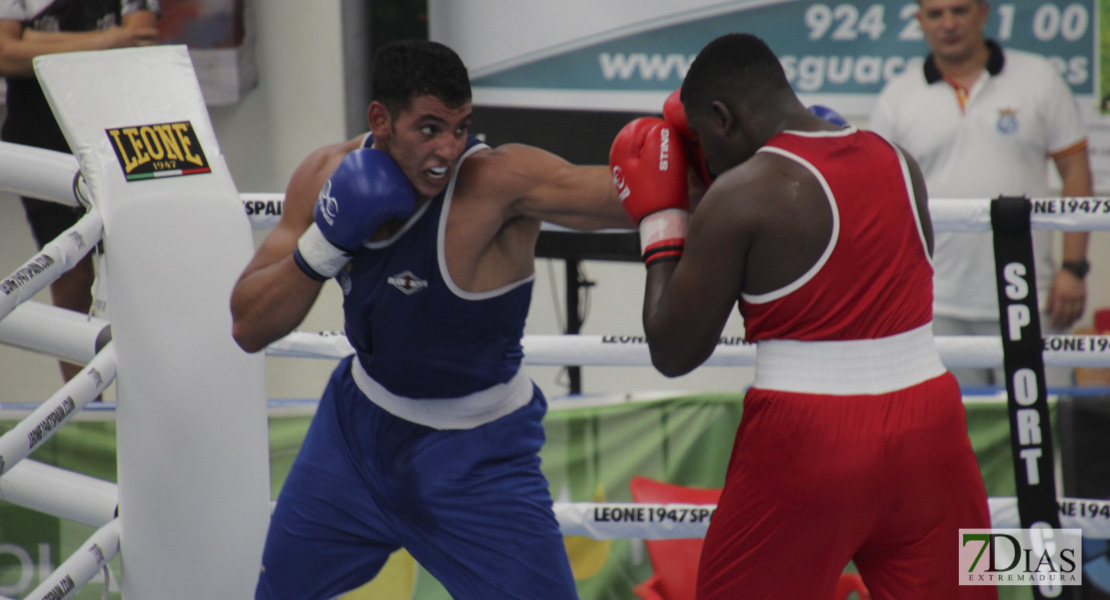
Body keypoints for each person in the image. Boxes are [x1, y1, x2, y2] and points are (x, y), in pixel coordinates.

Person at [230, 39, 627, 600]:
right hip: (354, 436)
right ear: (381, 120)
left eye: (461, 128)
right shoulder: (326, 174)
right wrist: (326, 245)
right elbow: (247, 325)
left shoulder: (497, 184)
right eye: (429, 129)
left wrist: (750, 154)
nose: (448, 149)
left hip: (478, 456)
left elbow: (623, 196)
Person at [609, 33, 995, 599]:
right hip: (932, 424)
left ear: (722, 117)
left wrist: (663, 220)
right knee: (970, 586)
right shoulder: (899, 161)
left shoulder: (745, 193)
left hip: (808, 441)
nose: (706, 162)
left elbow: (672, 351)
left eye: (703, 143)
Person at [870, 0, 1093, 388]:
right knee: (954, 436)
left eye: (960, 10)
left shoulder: (1039, 78)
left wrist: (1073, 269)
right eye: (936, 14)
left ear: (983, 12)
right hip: (937, 303)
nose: (949, 23)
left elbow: (1075, 172)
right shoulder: (897, 96)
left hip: (1031, 295)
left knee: (1044, 429)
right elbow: (880, 198)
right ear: (919, 21)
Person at [0, 0, 160, 384]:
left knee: (138, 274)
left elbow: (138, 40)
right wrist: (107, 39)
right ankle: (86, 409)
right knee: (69, 276)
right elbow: (7, 55)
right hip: (42, 138)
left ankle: (145, 399)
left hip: (117, 133)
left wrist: (37, 42)